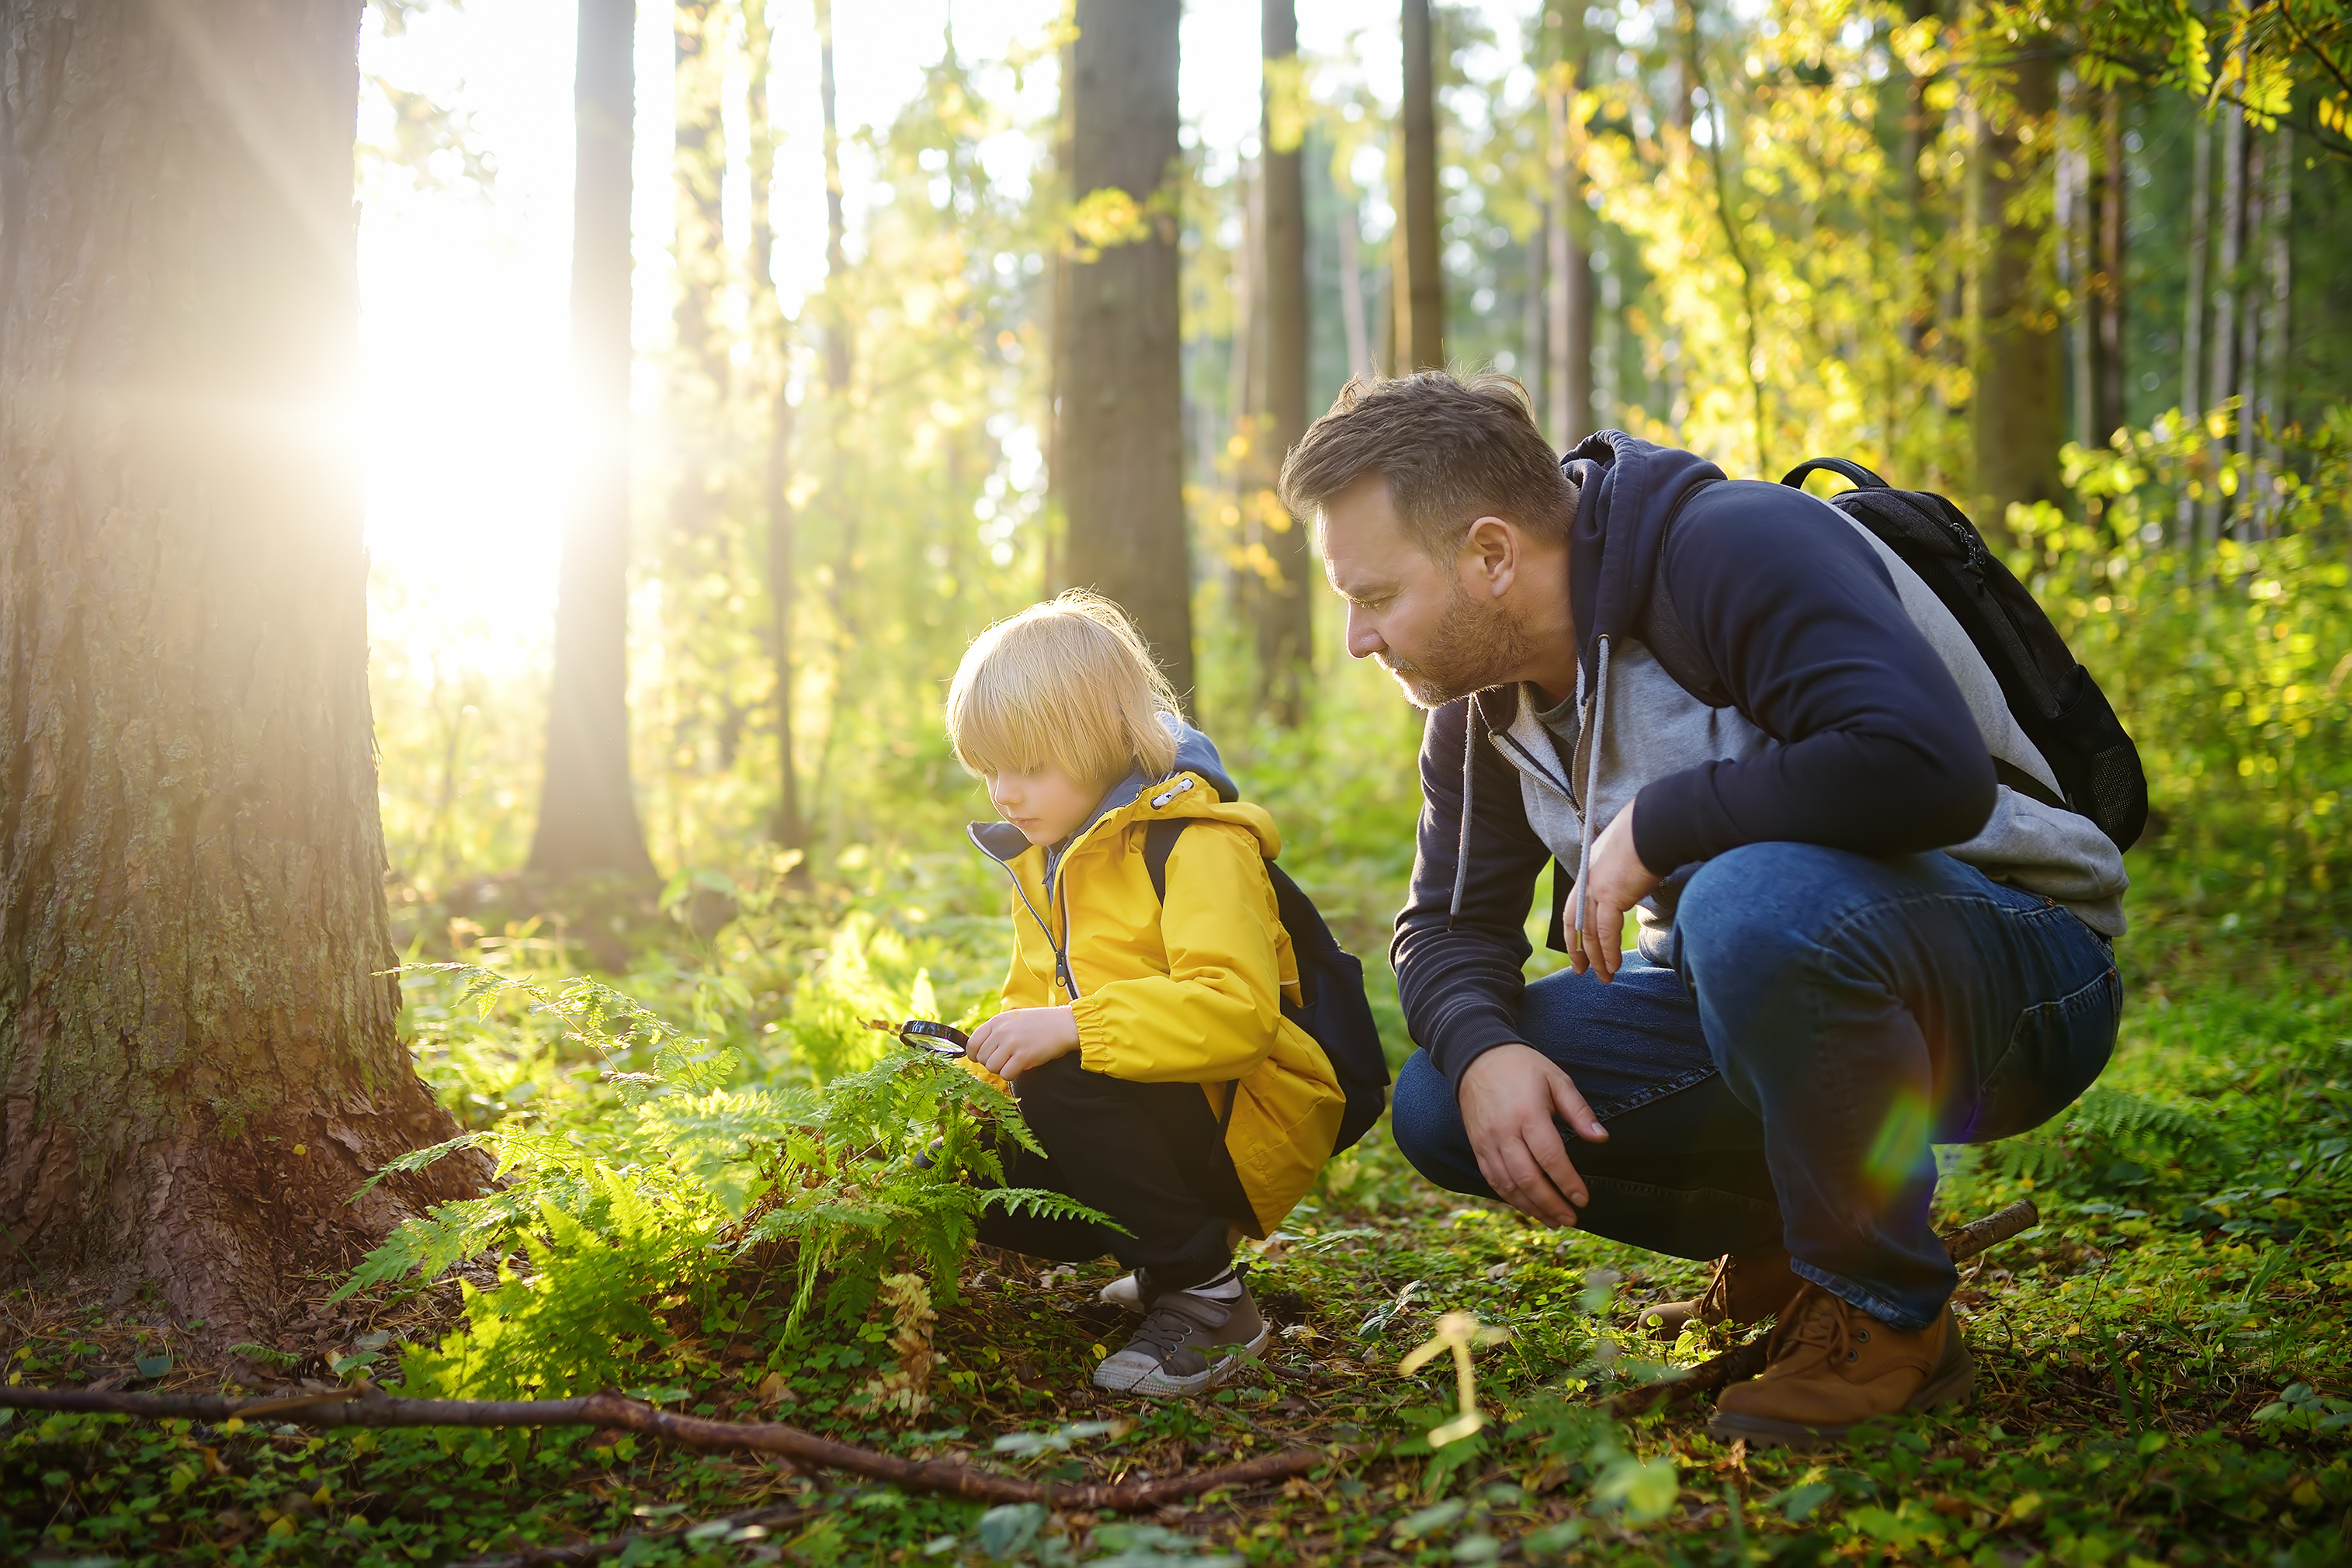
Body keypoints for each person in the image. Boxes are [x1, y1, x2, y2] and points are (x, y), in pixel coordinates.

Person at [1278, 373, 2125, 1448]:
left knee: (1744, 897)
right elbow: (1444, 929)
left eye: (1375, 596)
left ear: (1490, 554)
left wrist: (1663, 823)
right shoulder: (1480, 710)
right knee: (1444, 1098)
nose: (1358, 638)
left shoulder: (1729, 548)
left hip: (2020, 967)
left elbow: (1927, 767)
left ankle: (1883, 1310)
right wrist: (1484, 1046)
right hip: (1768, 987)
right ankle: (1800, 1238)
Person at [944, 591, 1347, 1398]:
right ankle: (1166, 1258)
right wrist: (969, 1103)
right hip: (1165, 1098)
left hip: (1249, 1108)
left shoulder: (1197, 845)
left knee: (1063, 1074)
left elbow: (1235, 1016)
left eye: (1029, 767)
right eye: (991, 770)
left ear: (1099, 744)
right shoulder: (1048, 859)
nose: (1006, 794)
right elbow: (1033, 1001)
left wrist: (1069, 1028)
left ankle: (1210, 1299)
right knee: (969, 1168)